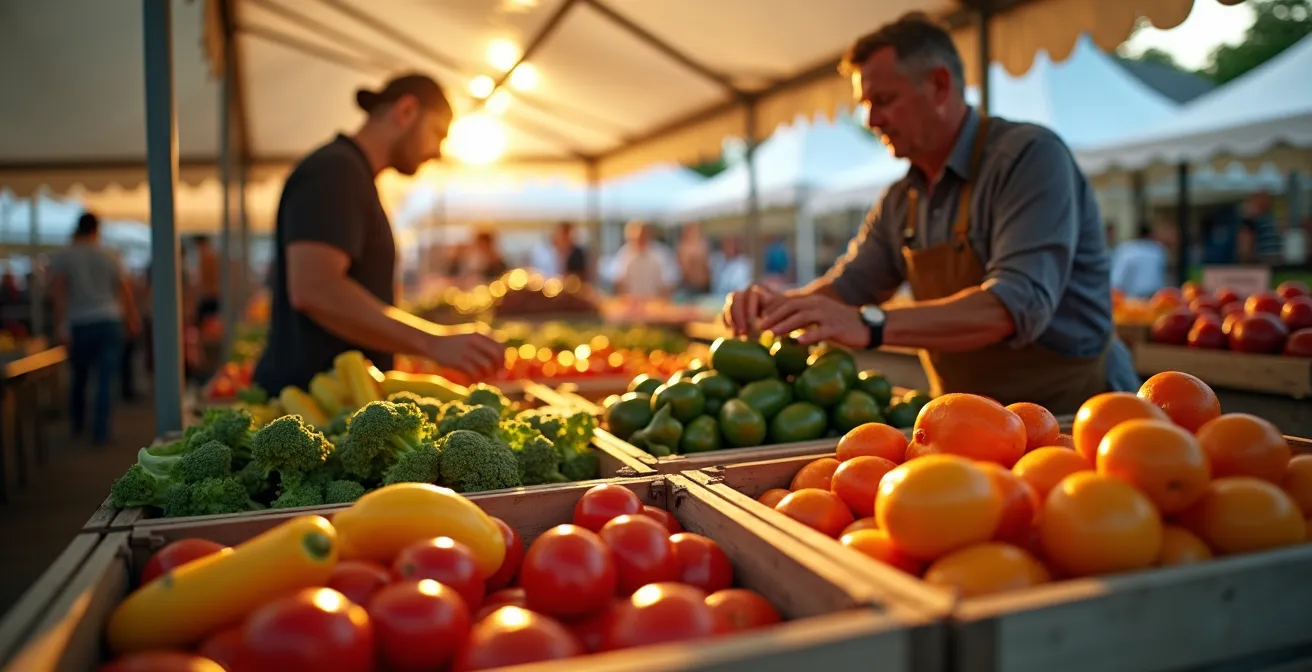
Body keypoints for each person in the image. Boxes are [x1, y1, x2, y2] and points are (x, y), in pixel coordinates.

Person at [722, 14, 1137, 414]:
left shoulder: (1028, 158)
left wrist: (870, 324)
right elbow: (850, 287)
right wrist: (778, 306)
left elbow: (1016, 305)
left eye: (883, 101)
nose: (871, 120)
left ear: (940, 85)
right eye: (865, 104)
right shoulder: (900, 200)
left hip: (1071, 414)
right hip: (962, 419)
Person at [253, 73, 503, 396]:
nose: (437, 151)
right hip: (309, 409)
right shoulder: (336, 171)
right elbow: (314, 287)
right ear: (406, 111)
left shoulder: (350, 173)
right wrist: (433, 342)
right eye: (437, 133)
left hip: (331, 403)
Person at [47, 212, 141, 444]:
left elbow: (58, 294)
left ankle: (78, 424)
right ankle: (101, 431)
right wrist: (132, 318)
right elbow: (124, 289)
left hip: (79, 323)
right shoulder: (110, 254)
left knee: (79, 378)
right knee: (105, 380)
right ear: (97, 230)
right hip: (109, 321)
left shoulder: (65, 256)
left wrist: (59, 325)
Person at [604, 221, 679, 299]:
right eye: (635, 239)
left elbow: (670, 280)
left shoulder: (660, 254)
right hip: (631, 302)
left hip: (654, 303)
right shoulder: (624, 254)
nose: (639, 242)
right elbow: (616, 279)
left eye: (642, 237)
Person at [1109, 222, 1168, 300]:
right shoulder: (1158, 251)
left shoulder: (1126, 250)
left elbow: (1117, 280)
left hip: (1131, 300)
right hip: (1155, 299)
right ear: (1150, 235)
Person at [193, 235, 221, 325]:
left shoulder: (207, 258)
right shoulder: (210, 257)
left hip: (209, 297)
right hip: (211, 296)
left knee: (208, 325)